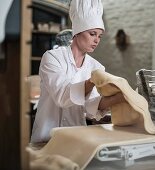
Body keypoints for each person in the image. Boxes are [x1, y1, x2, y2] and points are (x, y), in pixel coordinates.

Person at [31, 0, 126, 143]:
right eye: (92, 34)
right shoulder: (52, 58)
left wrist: (120, 97)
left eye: (99, 36)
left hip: (76, 138)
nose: (96, 40)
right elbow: (62, 97)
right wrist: (92, 81)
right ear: (78, 32)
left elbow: (90, 107)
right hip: (46, 138)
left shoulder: (96, 67)